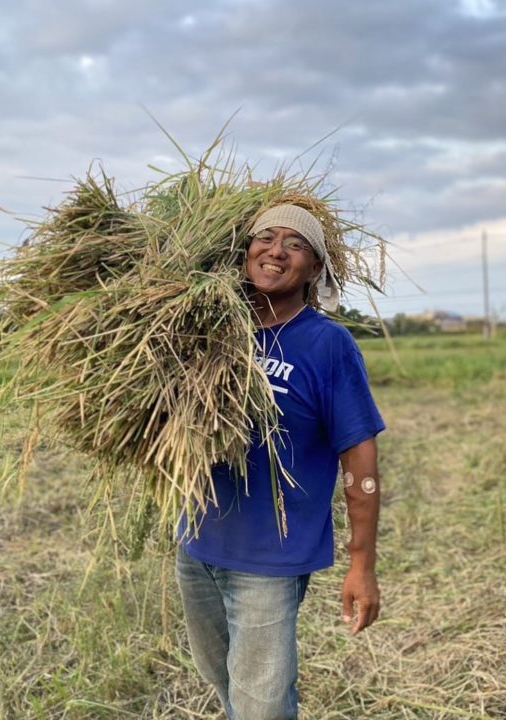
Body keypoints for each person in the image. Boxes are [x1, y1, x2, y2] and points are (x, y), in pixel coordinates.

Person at [176, 203, 386, 720]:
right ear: (245, 250)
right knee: (225, 686)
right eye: (266, 238)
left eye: (295, 245)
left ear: (315, 269)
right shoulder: (211, 327)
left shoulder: (327, 344)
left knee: (262, 708)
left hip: (270, 561)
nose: (276, 251)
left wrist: (362, 564)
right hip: (197, 544)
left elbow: (359, 456)